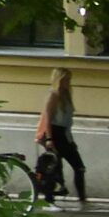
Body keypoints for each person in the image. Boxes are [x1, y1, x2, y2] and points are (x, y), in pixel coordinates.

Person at [34, 67, 88, 206]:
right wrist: (50, 139)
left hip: (64, 133)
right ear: (58, 80)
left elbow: (67, 122)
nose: (68, 82)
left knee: (79, 167)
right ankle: (49, 199)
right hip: (54, 132)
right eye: (65, 79)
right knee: (53, 168)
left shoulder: (66, 95)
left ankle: (82, 198)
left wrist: (71, 140)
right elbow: (48, 118)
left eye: (69, 79)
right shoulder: (53, 95)